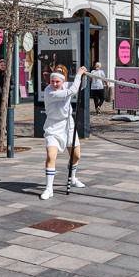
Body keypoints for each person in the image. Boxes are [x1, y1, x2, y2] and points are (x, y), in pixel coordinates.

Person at [41, 66, 88, 200]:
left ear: (63, 81)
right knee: (51, 156)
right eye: (52, 81)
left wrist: (83, 76)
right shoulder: (49, 91)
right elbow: (73, 90)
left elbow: (79, 87)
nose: (55, 84)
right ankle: (49, 188)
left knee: (76, 156)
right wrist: (78, 74)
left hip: (68, 125)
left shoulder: (66, 85)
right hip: (53, 126)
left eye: (57, 82)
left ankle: (72, 179)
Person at [0, 59, 15, 131]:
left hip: (7, 96)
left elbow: (13, 84)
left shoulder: (9, 74)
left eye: (4, 65)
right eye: (1, 65)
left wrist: (8, 89)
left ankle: (8, 128)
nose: (3, 66)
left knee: (7, 112)